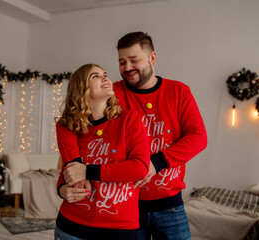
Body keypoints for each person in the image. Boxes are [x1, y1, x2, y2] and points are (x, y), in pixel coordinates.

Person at [63, 32, 208, 239]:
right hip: (124, 207)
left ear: (152, 58)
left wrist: (156, 162)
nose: (127, 68)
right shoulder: (111, 93)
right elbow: (72, 121)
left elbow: (198, 137)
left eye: (134, 60)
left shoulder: (179, 91)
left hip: (170, 206)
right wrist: (72, 171)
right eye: (122, 62)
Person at [55, 63, 150, 240]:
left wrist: (87, 171)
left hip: (119, 230)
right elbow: (67, 174)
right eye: (95, 76)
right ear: (81, 88)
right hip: (71, 228)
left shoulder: (129, 120)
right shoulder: (70, 127)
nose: (105, 77)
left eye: (105, 74)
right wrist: (61, 190)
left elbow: (139, 168)